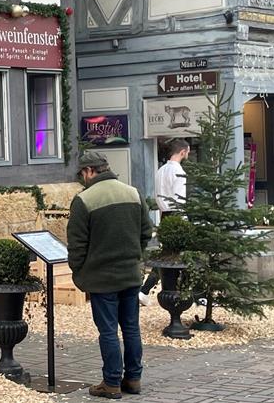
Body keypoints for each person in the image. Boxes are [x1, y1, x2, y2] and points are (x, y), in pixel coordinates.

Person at [67, 151, 153, 399]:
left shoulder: (84, 200)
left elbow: (77, 245)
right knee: (131, 328)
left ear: (89, 171)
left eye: (82, 173)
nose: (83, 178)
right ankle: (134, 379)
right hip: (130, 274)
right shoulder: (133, 193)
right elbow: (146, 233)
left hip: (102, 279)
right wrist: (135, 255)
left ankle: (111, 382)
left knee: (108, 332)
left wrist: (79, 272)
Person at [139, 139, 191, 306]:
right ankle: (193, 294)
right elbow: (179, 199)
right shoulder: (179, 171)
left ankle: (145, 290)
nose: (188, 155)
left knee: (166, 256)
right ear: (182, 152)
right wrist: (184, 221)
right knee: (185, 256)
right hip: (177, 215)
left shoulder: (160, 170)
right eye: (187, 152)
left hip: (164, 215)